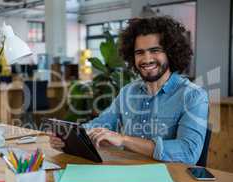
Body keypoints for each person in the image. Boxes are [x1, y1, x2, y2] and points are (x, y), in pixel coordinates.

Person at [49, 16, 208, 165]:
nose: (146, 59)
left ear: (171, 53)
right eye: (140, 52)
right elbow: (101, 124)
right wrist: (70, 138)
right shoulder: (128, 92)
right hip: (128, 176)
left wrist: (124, 140)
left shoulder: (193, 96)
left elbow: (188, 152)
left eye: (155, 50)